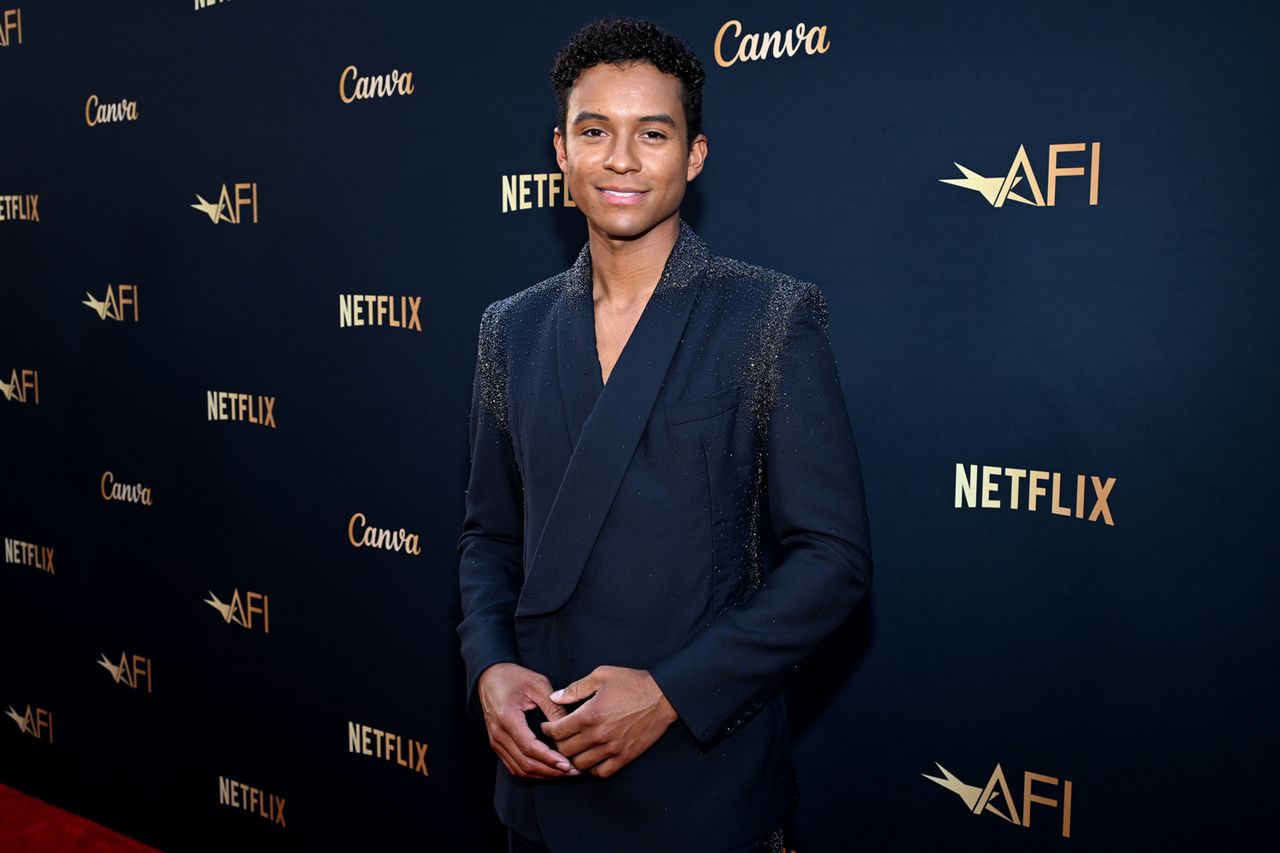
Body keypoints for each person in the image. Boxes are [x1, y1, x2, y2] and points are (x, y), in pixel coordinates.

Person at [457, 18, 872, 853]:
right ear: (560, 152)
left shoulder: (769, 315)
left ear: (695, 155)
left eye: (653, 132)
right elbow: (490, 536)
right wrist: (490, 668)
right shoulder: (512, 329)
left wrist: (673, 692)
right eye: (594, 131)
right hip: (544, 772)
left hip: (701, 776)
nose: (621, 158)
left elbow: (833, 558)